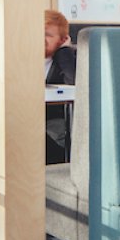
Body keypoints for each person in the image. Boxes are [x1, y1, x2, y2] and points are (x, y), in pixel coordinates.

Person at [44, 9, 76, 164]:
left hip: (52, 123)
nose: (40, 39)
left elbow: (75, 81)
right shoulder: (20, 57)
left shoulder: (66, 59)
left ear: (63, 39)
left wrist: (64, 51)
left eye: (48, 35)